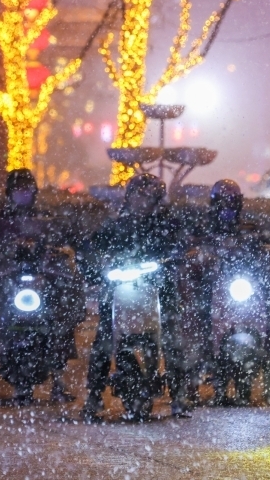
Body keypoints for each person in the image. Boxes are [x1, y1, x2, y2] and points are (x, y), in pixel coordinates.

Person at [78, 173, 191, 422]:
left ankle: (179, 396)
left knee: (171, 336)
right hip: (120, 289)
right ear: (129, 196)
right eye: (140, 194)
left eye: (150, 196)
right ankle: (94, 396)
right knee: (104, 337)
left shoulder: (167, 225)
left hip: (157, 290)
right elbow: (89, 249)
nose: (144, 200)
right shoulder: (115, 225)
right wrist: (96, 267)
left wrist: (173, 261)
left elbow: (181, 248)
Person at [0, 169, 84, 405]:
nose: (23, 194)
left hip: (42, 283)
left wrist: (61, 258)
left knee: (61, 317)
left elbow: (62, 244)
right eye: (18, 189)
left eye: (27, 189)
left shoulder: (47, 219)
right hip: (6, 283)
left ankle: (58, 381)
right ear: (9, 192)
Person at [188, 180, 270, 407]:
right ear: (213, 203)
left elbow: (268, 247)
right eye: (222, 201)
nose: (227, 207)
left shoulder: (250, 229)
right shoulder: (203, 230)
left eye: (232, 201)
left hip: (244, 285)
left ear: (239, 203)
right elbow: (190, 252)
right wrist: (196, 256)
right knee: (196, 321)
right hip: (214, 287)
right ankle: (191, 384)